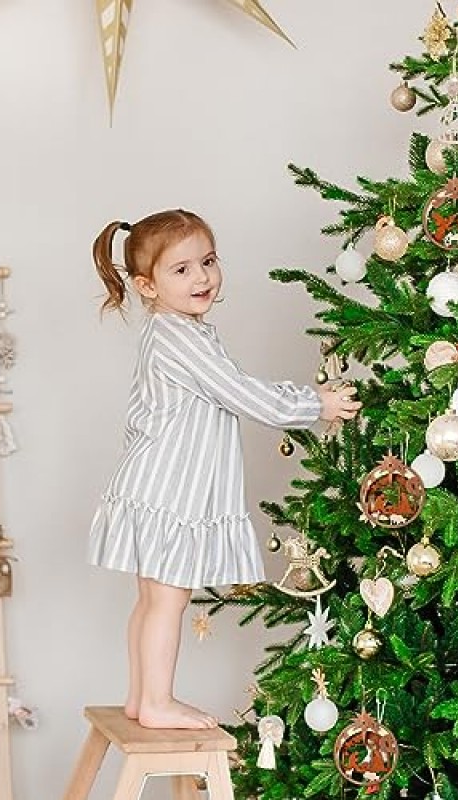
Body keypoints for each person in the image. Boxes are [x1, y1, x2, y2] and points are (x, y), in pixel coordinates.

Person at [88, 209, 361, 730]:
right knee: (167, 602)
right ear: (147, 286)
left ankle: (140, 697)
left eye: (208, 262)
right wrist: (315, 404)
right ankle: (156, 701)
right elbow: (241, 393)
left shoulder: (171, 331)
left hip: (153, 484)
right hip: (171, 493)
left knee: (152, 602)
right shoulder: (180, 338)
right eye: (182, 270)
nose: (202, 277)